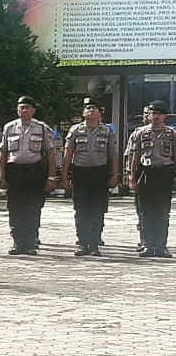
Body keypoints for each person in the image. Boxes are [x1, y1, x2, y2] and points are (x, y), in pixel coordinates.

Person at [0, 96, 57, 255]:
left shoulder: (42, 128)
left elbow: (51, 153)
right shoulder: (9, 128)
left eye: (27, 107)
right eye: (21, 107)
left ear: (33, 110)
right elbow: (3, 153)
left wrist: (52, 177)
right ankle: (18, 242)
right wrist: (1, 175)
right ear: (17, 110)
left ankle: (30, 241)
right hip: (15, 172)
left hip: (34, 172)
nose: (24, 110)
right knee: (15, 208)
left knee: (33, 207)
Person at [64, 97, 119, 256]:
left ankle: (94, 243)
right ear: (83, 113)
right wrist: (64, 176)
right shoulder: (75, 130)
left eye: (94, 108)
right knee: (81, 209)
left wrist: (115, 175)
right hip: (81, 174)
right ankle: (82, 243)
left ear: (100, 113)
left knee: (97, 209)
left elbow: (113, 155)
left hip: (100, 174)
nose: (90, 110)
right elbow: (68, 154)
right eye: (87, 108)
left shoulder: (107, 131)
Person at [127, 100, 175, 258]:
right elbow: (134, 157)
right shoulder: (140, 133)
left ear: (165, 116)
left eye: (159, 114)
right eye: (153, 113)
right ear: (149, 116)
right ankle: (147, 244)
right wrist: (132, 178)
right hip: (146, 173)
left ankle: (161, 245)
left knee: (162, 212)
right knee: (145, 211)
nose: (156, 117)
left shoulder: (171, 134)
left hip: (164, 174)